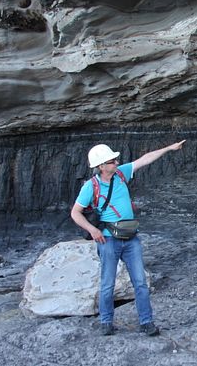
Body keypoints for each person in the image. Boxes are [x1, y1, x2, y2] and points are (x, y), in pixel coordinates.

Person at [71, 140, 186, 336]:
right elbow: (75, 213)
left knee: (140, 282)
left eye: (115, 160)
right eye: (111, 161)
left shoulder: (121, 174)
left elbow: (145, 159)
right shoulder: (90, 187)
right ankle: (106, 322)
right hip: (108, 240)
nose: (116, 163)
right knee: (107, 283)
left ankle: (146, 322)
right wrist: (93, 230)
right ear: (100, 166)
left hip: (131, 238)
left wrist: (168, 148)